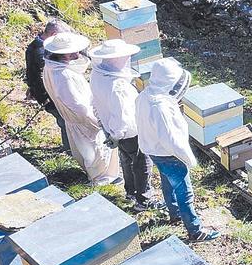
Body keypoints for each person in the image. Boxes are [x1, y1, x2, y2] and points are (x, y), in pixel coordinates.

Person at [135, 58, 219, 241]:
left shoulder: (145, 95)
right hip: (169, 155)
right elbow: (171, 140)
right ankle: (195, 230)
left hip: (153, 150)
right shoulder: (161, 106)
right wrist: (189, 159)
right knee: (184, 191)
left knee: (167, 182)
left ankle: (175, 213)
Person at [88, 39, 162, 211]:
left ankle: (130, 192)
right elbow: (123, 117)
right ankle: (143, 200)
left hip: (112, 129)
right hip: (129, 133)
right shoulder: (118, 86)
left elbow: (95, 103)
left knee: (126, 160)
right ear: (117, 59)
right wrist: (117, 134)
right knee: (142, 163)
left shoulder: (97, 75)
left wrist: (108, 131)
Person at [42, 32, 121, 185]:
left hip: (74, 120)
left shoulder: (50, 66)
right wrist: (96, 122)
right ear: (63, 54)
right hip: (84, 121)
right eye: (72, 51)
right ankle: (102, 180)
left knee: (87, 152)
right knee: (96, 153)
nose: (77, 53)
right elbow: (79, 106)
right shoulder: (63, 75)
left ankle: (100, 176)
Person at [25, 19, 72, 151]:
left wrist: (30, 86)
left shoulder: (35, 45)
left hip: (45, 93)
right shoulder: (41, 51)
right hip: (50, 96)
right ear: (53, 35)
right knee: (65, 122)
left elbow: (31, 70)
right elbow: (43, 76)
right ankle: (70, 150)